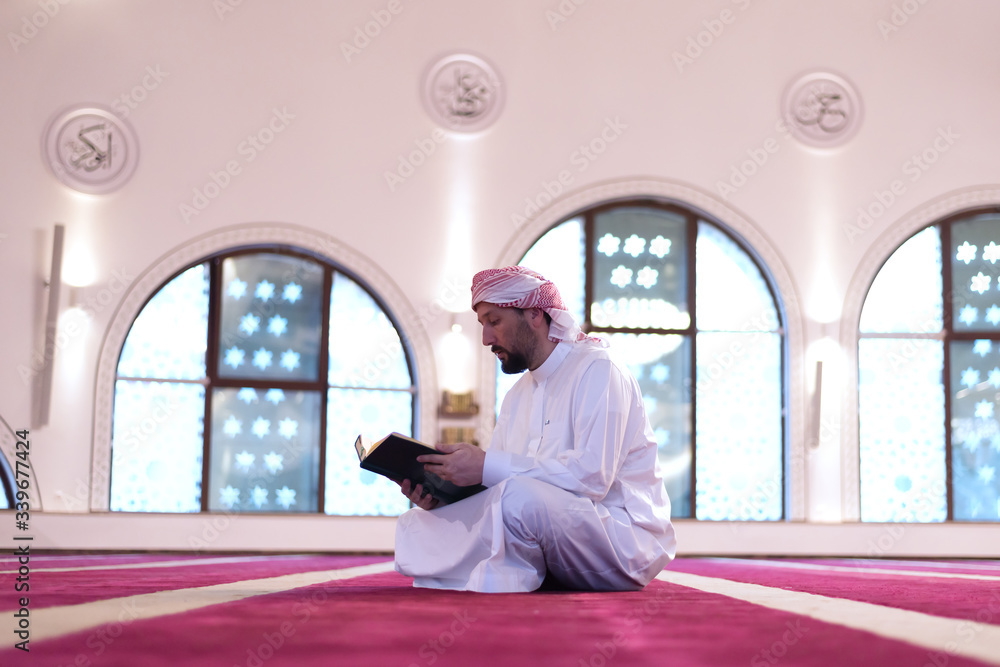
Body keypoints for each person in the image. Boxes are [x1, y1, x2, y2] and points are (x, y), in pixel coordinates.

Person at [393, 266, 676, 593]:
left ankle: (510, 572)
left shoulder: (599, 368)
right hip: (549, 531)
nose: (486, 338)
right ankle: (517, 568)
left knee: (518, 498)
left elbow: (591, 480)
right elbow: (495, 489)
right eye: (483, 324)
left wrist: (484, 466)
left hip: (623, 538)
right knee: (416, 524)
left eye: (494, 321)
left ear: (535, 314)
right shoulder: (516, 397)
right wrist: (443, 499)